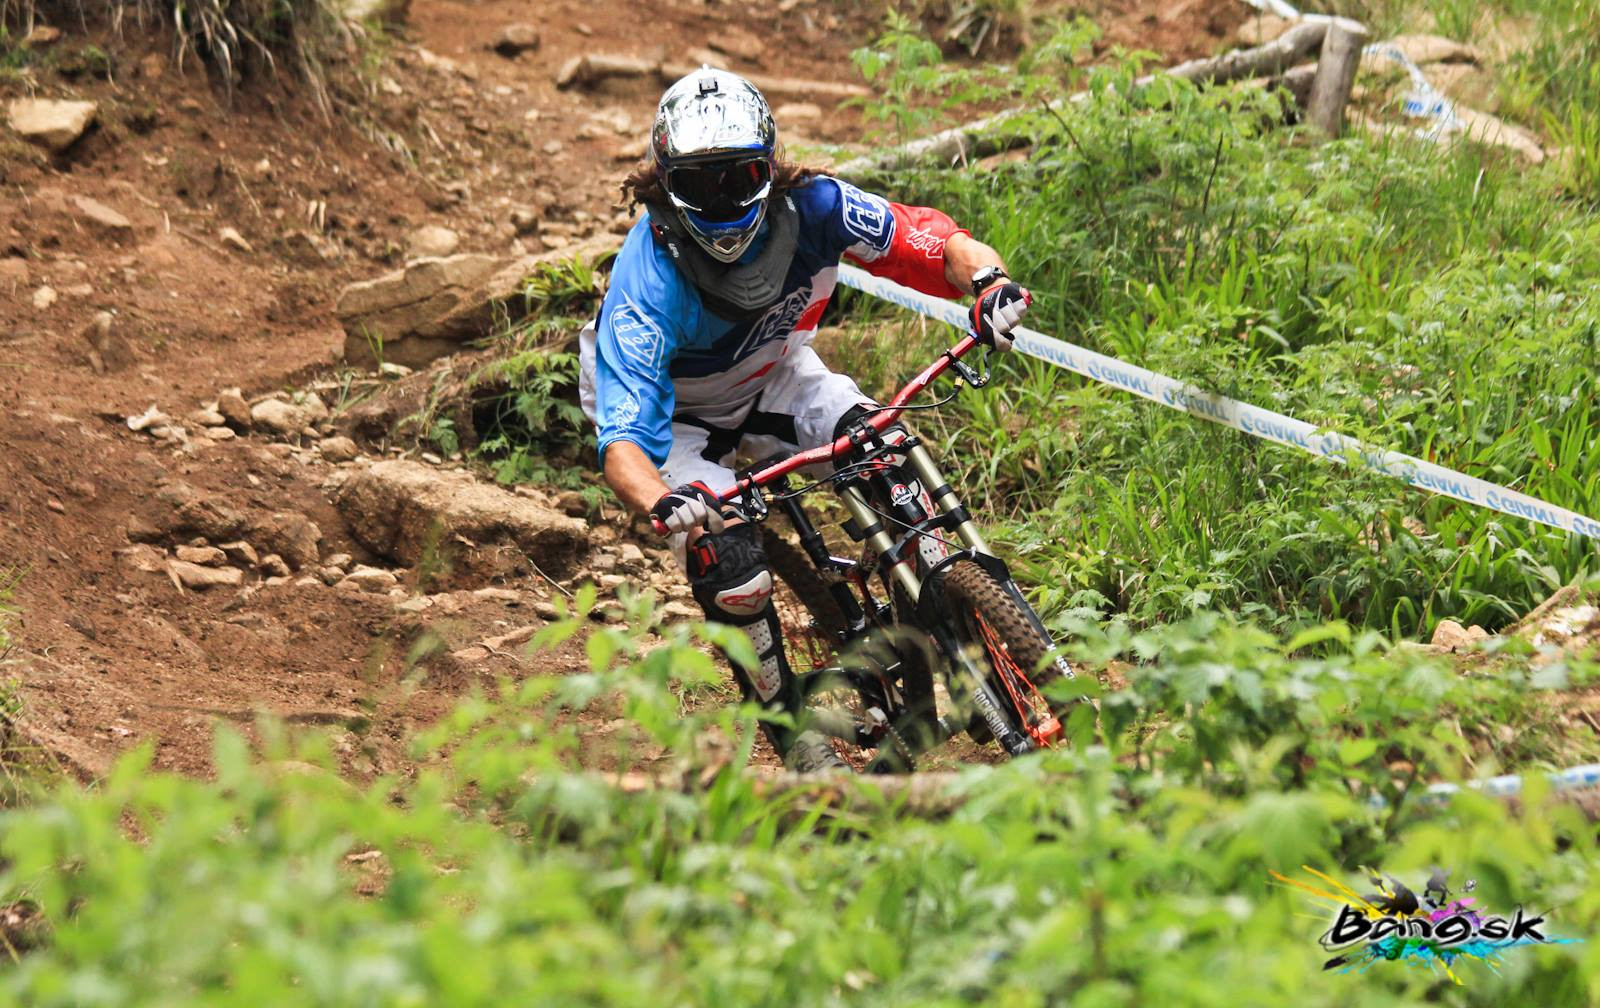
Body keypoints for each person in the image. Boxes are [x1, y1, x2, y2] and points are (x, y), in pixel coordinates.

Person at [578, 68, 1032, 771]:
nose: (723, 202)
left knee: (888, 452)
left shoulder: (818, 206)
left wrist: (987, 281)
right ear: (666, 187)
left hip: (776, 374)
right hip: (677, 420)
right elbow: (625, 444)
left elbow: (927, 241)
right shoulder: (646, 281)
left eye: (740, 178)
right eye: (701, 185)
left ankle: (948, 602)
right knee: (730, 563)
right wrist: (661, 501)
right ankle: (792, 728)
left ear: (771, 168)